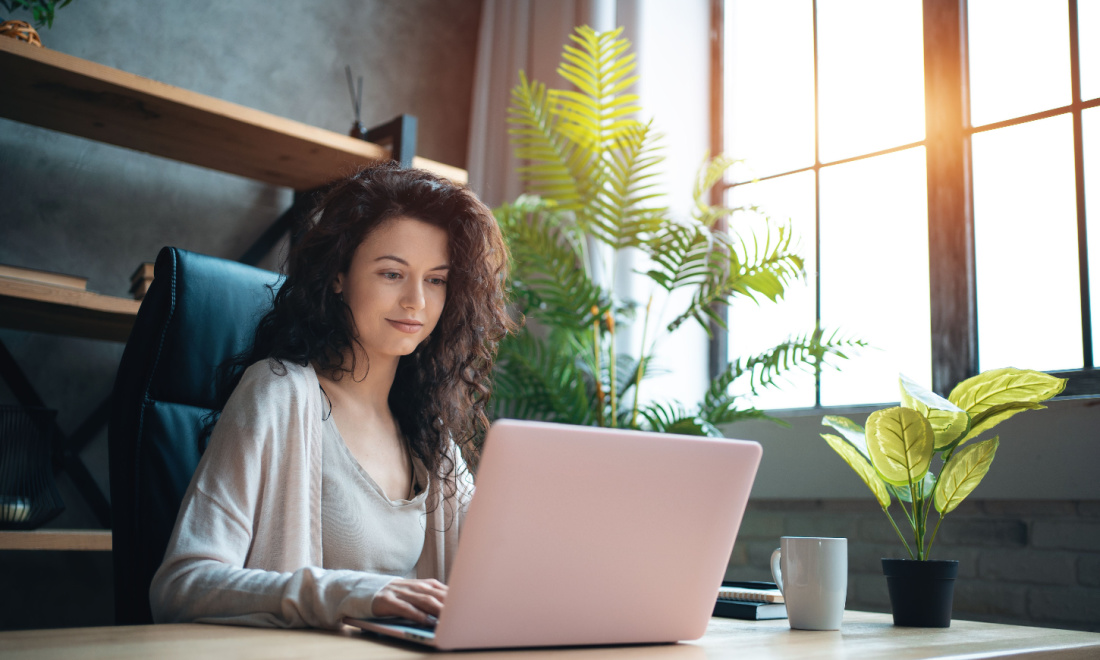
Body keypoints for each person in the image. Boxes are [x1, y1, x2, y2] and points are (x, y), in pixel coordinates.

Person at [149, 163, 514, 629]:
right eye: (391, 273)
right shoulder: (277, 392)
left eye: (436, 280)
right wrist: (354, 593)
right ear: (339, 275)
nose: (416, 302)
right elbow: (180, 585)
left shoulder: (430, 436)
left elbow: (496, 572)